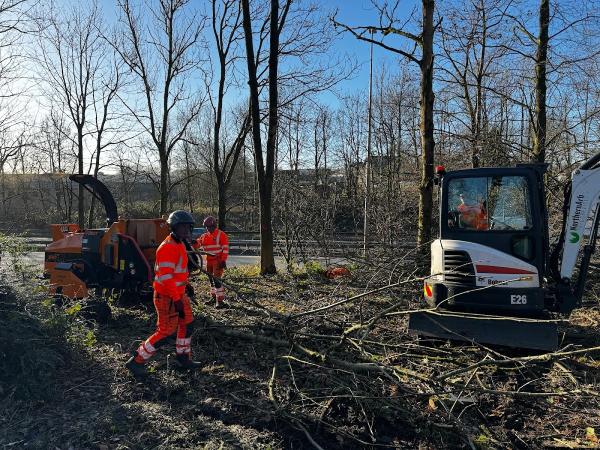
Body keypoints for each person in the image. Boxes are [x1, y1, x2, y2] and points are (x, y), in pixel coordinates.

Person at [125, 210, 201, 376]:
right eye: (182, 227)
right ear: (174, 227)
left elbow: (177, 272)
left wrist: (186, 286)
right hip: (167, 297)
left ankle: (183, 357)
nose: (186, 230)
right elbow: (166, 278)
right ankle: (137, 361)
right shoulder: (167, 247)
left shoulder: (180, 244)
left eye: (188, 227)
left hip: (178, 294)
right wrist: (176, 298)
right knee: (165, 332)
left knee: (187, 325)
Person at [194, 216, 229, 308]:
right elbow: (198, 243)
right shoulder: (204, 236)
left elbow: (225, 249)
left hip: (217, 261)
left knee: (217, 280)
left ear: (214, 226)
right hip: (209, 261)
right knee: (211, 280)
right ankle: (214, 297)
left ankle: (220, 301)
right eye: (206, 227)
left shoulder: (221, 235)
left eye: (209, 227)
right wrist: (193, 242)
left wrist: (223, 260)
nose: (208, 229)